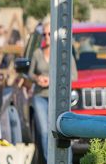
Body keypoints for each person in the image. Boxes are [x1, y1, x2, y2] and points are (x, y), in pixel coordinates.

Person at [28, 22, 77, 159]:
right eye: (44, 34)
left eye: (49, 34)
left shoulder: (64, 53)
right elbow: (30, 74)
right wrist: (37, 78)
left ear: (56, 35)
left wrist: (52, 80)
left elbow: (73, 76)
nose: (47, 37)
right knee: (44, 131)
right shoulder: (37, 53)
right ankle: (49, 159)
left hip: (59, 98)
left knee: (63, 130)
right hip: (40, 96)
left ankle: (66, 160)